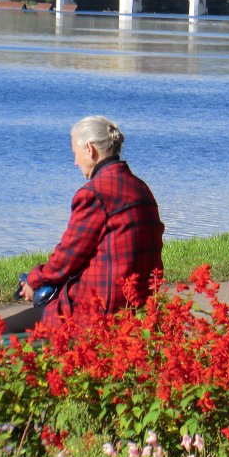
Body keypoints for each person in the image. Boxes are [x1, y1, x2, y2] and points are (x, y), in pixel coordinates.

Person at [19, 116, 164, 330]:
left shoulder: (95, 193)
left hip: (98, 311)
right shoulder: (141, 188)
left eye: (75, 154)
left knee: (3, 332)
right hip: (140, 305)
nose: (75, 162)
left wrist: (34, 280)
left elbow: (67, 257)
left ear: (90, 149)